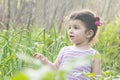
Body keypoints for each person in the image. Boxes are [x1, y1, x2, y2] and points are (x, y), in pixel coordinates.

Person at [34, 9, 102, 80]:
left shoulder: (94, 55)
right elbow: (55, 69)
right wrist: (45, 62)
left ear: (89, 33)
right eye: (69, 27)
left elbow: (97, 78)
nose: (70, 31)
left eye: (76, 28)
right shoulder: (65, 50)